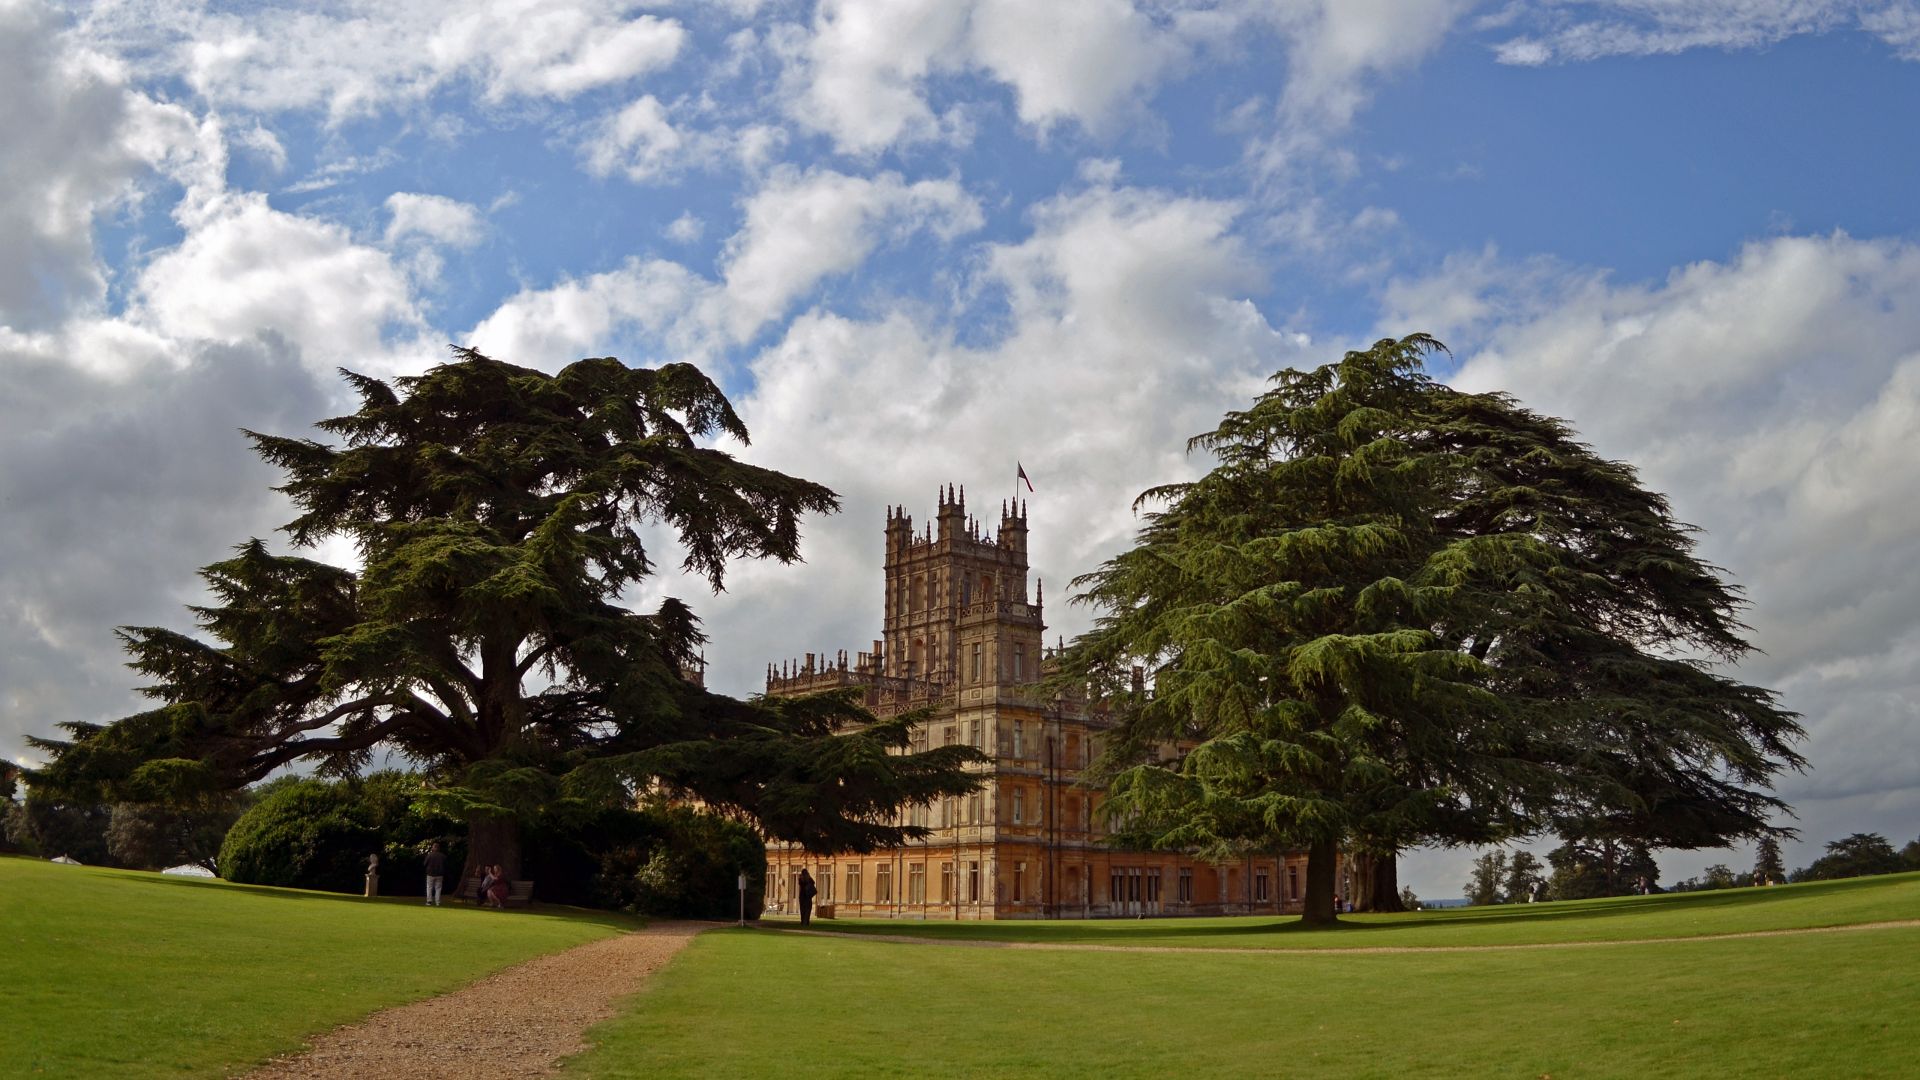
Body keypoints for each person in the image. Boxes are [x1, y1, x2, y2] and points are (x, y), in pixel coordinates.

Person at [423, 842, 447, 907]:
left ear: (433, 848)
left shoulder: (429, 855)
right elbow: (445, 865)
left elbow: (424, 864)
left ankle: (429, 901)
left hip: (430, 874)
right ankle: (438, 902)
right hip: (440, 874)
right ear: (439, 848)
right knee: (438, 888)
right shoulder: (443, 856)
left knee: (429, 887)